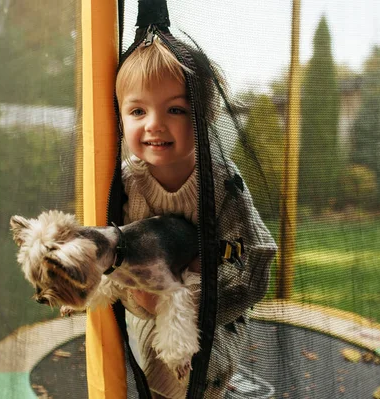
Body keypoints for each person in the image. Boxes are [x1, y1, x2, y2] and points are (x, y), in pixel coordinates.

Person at [114, 34, 277, 398]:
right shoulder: (125, 181)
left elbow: (258, 255)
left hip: (214, 317)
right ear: (120, 116)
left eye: (175, 109)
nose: (154, 124)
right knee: (158, 377)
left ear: (205, 114)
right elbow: (111, 256)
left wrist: (202, 300)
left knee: (199, 378)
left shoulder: (221, 183)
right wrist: (141, 297)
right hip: (148, 309)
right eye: (138, 111)